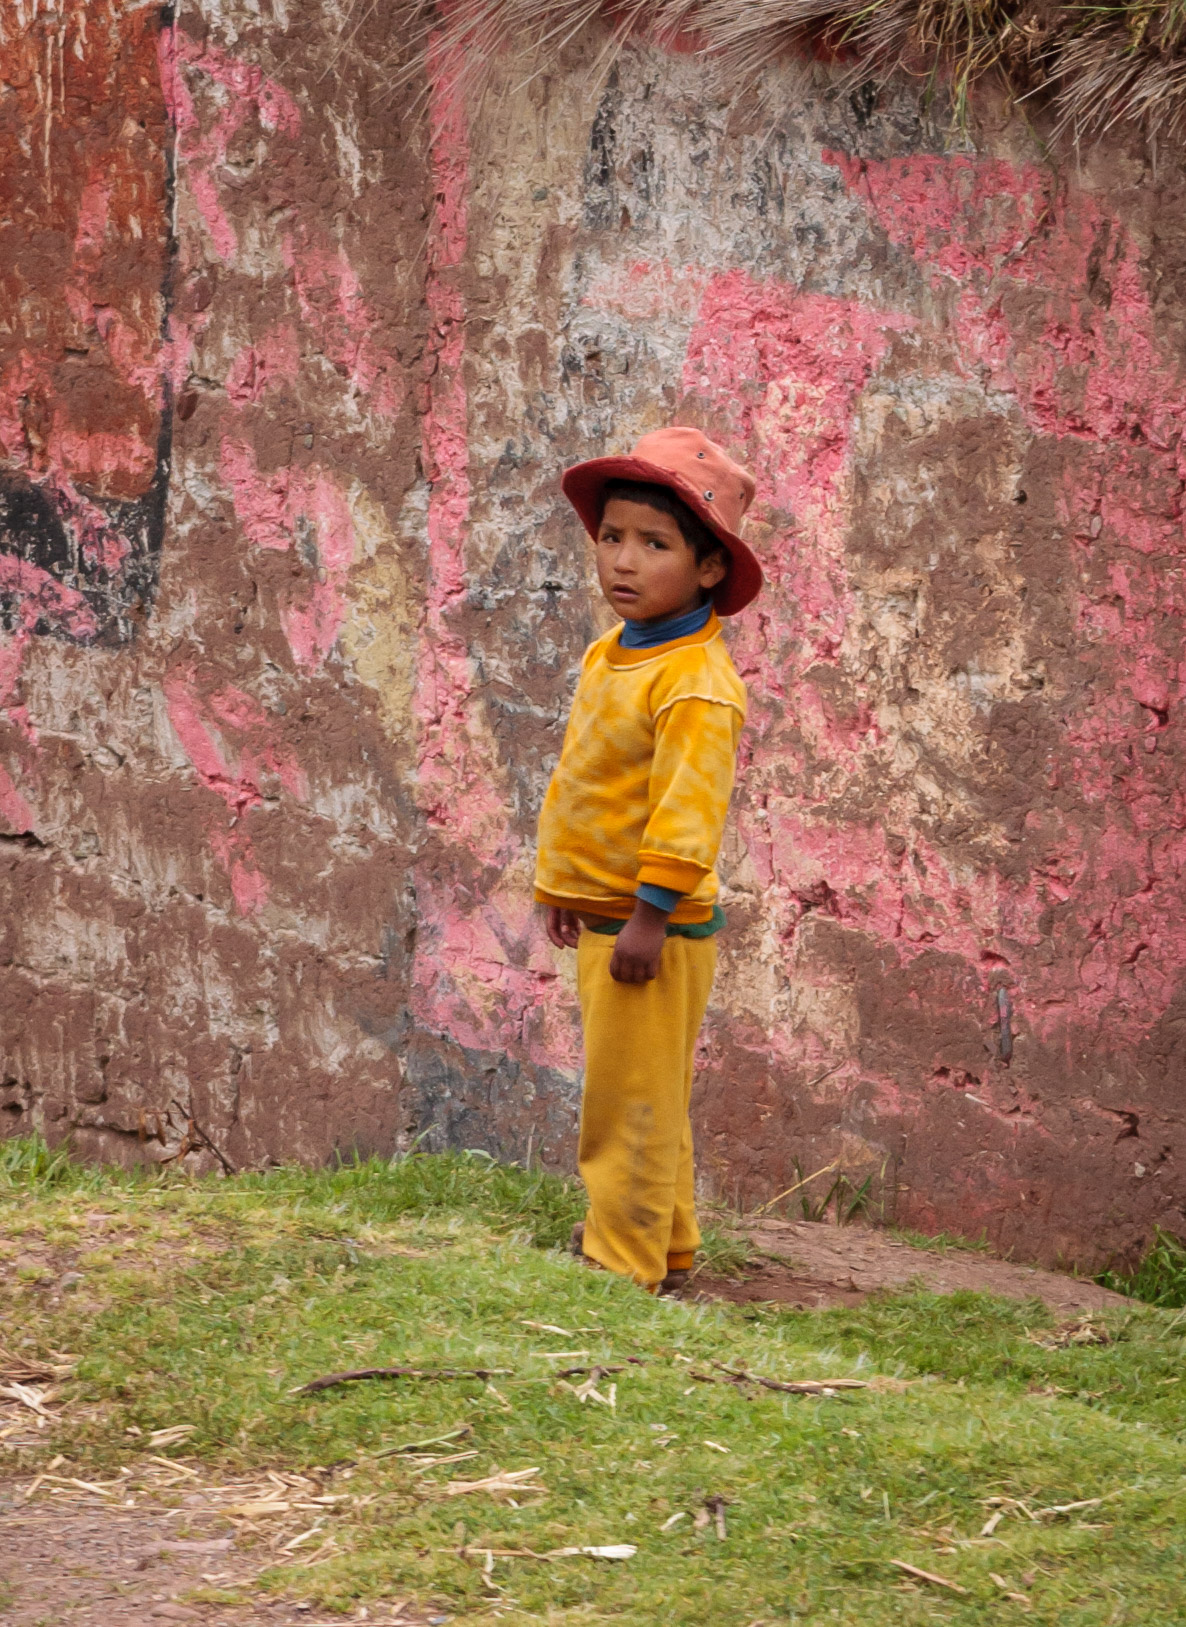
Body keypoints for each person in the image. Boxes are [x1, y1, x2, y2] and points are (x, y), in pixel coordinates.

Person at [534, 426, 763, 1295]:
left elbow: (685, 814)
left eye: (655, 544)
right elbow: (595, 786)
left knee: (623, 1105)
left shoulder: (695, 683)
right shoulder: (616, 652)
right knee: (646, 1090)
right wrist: (569, 889)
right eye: (612, 537)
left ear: (709, 568)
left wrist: (648, 915)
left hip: (654, 932)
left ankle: (616, 1265)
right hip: (613, 914)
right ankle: (664, 1247)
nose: (623, 561)